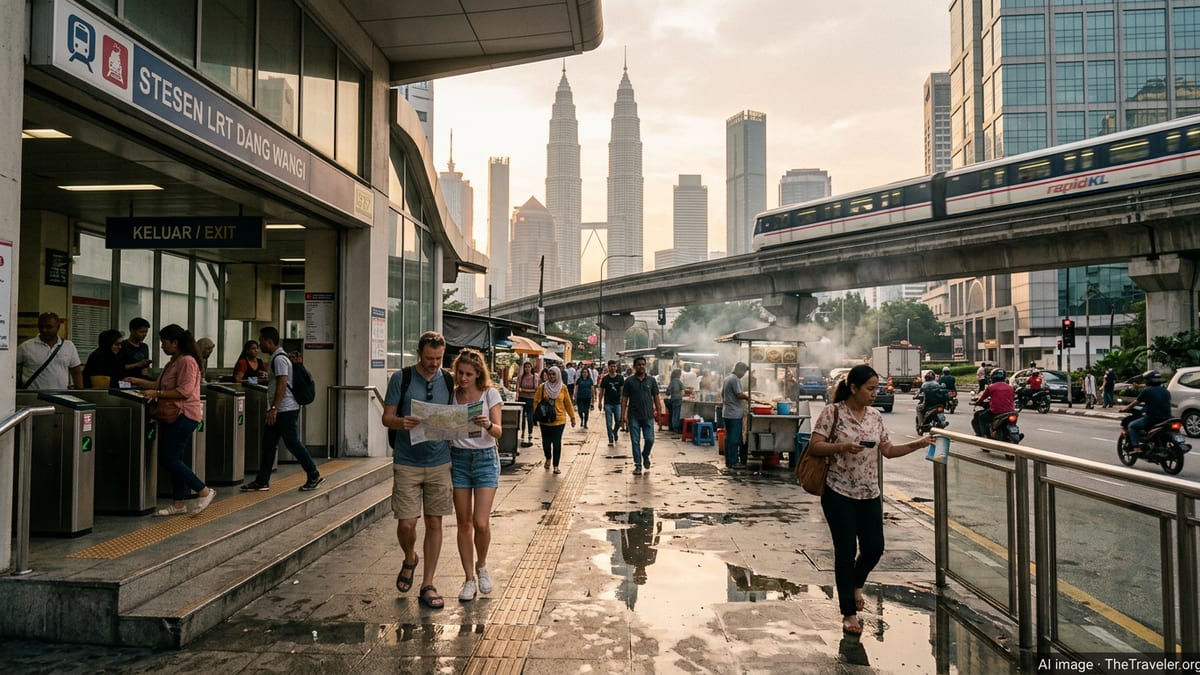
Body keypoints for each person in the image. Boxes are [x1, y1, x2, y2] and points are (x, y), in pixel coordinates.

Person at [806, 364, 933, 635]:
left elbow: (887, 450)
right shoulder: (833, 412)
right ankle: (849, 613)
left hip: (869, 493)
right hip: (838, 492)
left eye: (877, 388)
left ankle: (856, 584)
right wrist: (841, 446)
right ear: (854, 388)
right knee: (845, 551)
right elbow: (814, 446)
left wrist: (918, 444)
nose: (875, 393)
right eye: (870, 388)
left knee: (874, 548)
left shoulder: (875, 416)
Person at [380, 331, 453, 610]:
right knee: (407, 523)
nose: (435, 364)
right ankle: (410, 557)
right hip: (407, 461)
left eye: (439, 358)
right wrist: (402, 422)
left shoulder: (448, 379)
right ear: (418, 354)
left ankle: (428, 583)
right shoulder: (402, 378)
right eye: (429, 358)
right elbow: (387, 418)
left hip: (439, 461)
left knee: (435, 522)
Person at [124, 324, 216, 517]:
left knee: (169, 458)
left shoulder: (187, 362)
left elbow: (184, 391)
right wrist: (139, 382)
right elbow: (160, 385)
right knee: (176, 458)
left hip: (184, 415)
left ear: (175, 342)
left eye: (164, 342)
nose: (162, 346)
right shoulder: (174, 362)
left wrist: (156, 393)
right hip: (172, 415)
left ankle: (204, 491)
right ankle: (178, 503)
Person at [447, 348, 503, 602]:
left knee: (481, 522)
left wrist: (488, 424)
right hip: (458, 459)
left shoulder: (490, 394)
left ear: (478, 374)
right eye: (460, 372)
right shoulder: (452, 395)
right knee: (463, 523)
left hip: (485, 459)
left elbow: (499, 431)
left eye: (468, 374)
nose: (463, 378)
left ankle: (482, 566)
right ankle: (468, 578)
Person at [240, 326, 324, 492]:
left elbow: (282, 384)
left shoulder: (279, 359)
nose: (259, 344)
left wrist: (273, 409)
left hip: (285, 409)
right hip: (280, 409)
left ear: (269, 341)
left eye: (261, 340)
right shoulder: (276, 358)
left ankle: (314, 474)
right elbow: (276, 383)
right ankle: (262, 480)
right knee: (269, 444)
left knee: (292, 443)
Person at [16, 312, 83, 390]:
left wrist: (80, 393)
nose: (44, 330)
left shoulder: (69, 346)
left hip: (60, 397)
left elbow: (76, 372)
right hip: (33, 397)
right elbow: (11, 368)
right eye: (41, 327)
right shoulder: (26, 346)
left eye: (49, 327)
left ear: (58, 327)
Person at [621, 356, 663, 475]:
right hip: (633, 416)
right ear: (634, 367)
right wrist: (622, 416)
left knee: (650, 439)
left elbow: (656, 398)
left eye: (643, 364)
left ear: (646, 366)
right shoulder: (629, 381)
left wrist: (659, 415)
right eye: (639, 365)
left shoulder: (651, 381)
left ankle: (645, 455)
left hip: (648, 416)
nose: (641, 366)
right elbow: (624, 400)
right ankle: (638, 465)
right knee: (635, 441)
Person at [533, 366, 577, 474]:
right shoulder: (542, 387)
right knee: (546, 443)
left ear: (558, 375)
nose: (551, 376)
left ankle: (556, 465)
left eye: (554, 374)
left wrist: (572, 417)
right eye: (550, 374)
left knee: (557, 442)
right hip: (545, 420)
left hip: (559, 419)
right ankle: (548, 457)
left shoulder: (563, 388)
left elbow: (568, 403)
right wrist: (536, 415)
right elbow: (536, 402)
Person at [1121, 370, 1172, 455]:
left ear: (1148, 380)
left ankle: (1137, 448)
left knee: (1132, 426)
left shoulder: (1146, 391)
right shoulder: (1165, 391)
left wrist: (1125, 409)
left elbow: (1134, 403)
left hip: (1153, 419)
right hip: (1166, 418)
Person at [721, 362, 751, 468]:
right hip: (734, 414)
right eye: (743, 372)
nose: (743, 375)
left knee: (728, 438)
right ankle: (733, 462)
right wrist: (749, 397)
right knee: (734, 439)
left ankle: (729, 461)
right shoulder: (735, 379)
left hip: (727, 412)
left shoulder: (727, 378)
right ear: (739, 370)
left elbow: (722, 394)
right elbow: (739, 394)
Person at [974, 369, 1015, 437]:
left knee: (981, 417)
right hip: (1010, 411)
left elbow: (982, 398)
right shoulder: (1010, 387)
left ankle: (985, 435)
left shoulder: (991, 387)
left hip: (996, 411)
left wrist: (977, 402)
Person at [599, 360, 625, 447]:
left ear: (616, 367)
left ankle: (615, 432)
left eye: (614, 366)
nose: (612, 368)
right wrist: (599, 402)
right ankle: (610, 439)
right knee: (608, 422)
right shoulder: (605, 379)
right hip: (608, 403)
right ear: (608, 367)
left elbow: (622, 390)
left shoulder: (620, 378)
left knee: (618, 421)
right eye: (611, 366)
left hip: (617, 403)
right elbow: (602, 391)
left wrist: (623, 401)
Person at [515, 361, 539, 444]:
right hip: (522, 398)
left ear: (531, 368)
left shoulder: (534, 377)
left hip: (530, 399)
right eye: (526, 367)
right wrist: (517, 396)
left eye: (529, 367)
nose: (527, 368)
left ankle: (530, 433)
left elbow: (536, 389)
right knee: (522, 417)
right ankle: (522, 433)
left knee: (530, 417)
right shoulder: (521, 377)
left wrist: (524, 390)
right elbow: (517, 388)